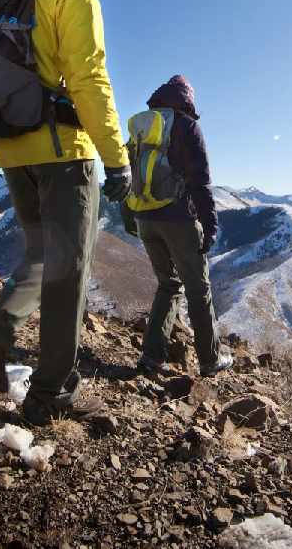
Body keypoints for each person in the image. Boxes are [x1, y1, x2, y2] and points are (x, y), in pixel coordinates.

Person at [0, 0, 131, 425]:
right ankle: (50, 393)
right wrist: (115, 157)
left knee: (40, 256)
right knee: (68, 275)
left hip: (10, 149)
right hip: (62, 153)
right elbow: (89, 79)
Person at [122, 75, 233, 377]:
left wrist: (128, 214)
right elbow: (200, 180)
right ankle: (210, 360)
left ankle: (151, 357)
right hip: (179, 219)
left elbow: (125, 172)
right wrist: (210, 224)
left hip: (145, 217)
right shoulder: (186, 126)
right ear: (186, 98)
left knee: (168, 284)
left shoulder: (141, 126)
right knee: (199, 289)